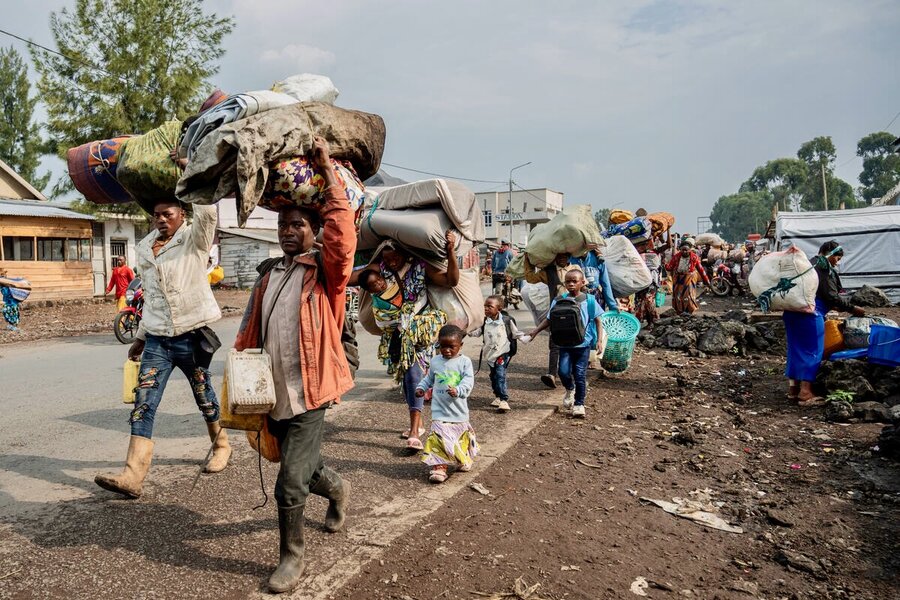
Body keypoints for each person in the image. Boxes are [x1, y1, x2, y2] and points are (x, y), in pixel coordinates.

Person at [231, 137, 355, 593]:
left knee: (289, 485)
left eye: (298, 223)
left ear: (313, 230)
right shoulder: (269, 276)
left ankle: (292, 558)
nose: (288, 230)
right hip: (273, 394)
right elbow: (250, 333)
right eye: (283, 223)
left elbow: (343, 236)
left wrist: (327, 171)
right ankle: (338, 487)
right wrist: (240, 379)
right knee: (302, 466)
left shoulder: (325, 273)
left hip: (311, 392)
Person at [94, 196, 229, 499]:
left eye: (168, 214)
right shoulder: (145, 247)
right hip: (157, 340)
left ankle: (221, 445)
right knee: (144, 402)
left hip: (192, 336)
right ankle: (133, 475)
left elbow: (207, 216)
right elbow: (152, 296)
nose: (161, 219)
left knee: (203, 395)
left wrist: (194, 183)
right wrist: (140, 337)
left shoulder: (195, 240)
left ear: (182, 214)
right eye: (156, 215)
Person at [350, 233, 459, 450]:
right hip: (396, 336)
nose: (391, 262)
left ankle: (414, 430)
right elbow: (346, 278)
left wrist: (450, 251)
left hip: (420, 331)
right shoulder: (378, 270)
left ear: (405, 253)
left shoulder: (420, 267)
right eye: (387, 258)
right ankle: (418, 424)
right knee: (408, 380)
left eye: (395, 257)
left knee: (413, 374)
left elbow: (451, 280)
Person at [783, 241, 865, 407]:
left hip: (791, 313)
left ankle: (793, 391)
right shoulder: (823, 268)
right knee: (813, 351)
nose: (837, 262)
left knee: (795, 349)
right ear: (828, 253)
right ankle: (805, 393)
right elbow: (832, 297)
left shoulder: (806, 264)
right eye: (837, 257)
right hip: (811, 315)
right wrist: (853, 309)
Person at [526, 269, 603, 418]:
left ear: (582, 282)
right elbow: (549, 319)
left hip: (583, 344)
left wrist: (599, 340)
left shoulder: (590, 300)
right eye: (568, 281)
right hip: (564, 344)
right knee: (563, 372)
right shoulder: (558, 300)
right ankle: (570, 388)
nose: (571, 284)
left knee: (580, 373)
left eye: (575, 281)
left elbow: (599, 320)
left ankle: (579, 404)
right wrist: (535, 331)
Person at [415, 324, 476, 483]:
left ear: (460, 345)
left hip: (458, 411)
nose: (447, 350)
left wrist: (459, 390)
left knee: (459, 438)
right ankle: (439, 467)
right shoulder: (435, 361)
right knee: (438, 438)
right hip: (439, 410)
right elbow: (429, 378)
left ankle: (462, 458)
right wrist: (422, 387)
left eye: (451, 347)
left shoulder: (465, 362)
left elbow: (468, 381)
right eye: (443, 346)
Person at [468, 295, 530, 413]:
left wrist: (525, 338)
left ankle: (503, 400)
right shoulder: (486, 321)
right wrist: (467, 332)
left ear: (499, 309)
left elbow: (515, 333)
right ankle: (497, 396)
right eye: (485, 306)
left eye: (489, 306)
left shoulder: (507, 321)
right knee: (493, 376)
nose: (486, 308)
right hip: (490, 354)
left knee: (500, 375)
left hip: (502, 353)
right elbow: (479, 332)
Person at [524, 251, 576, 388]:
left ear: (569, 257)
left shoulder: (576, 270)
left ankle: (570, 374)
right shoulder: (549, 272)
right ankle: (552, 374)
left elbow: (584, 286)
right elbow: (530, 278)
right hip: (557, 311)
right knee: (554, 344)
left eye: (565, 256)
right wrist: (527, 260)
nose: (562, 259)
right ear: (554, 258)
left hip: (575, 312)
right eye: (559, 256)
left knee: (573, 343)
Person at [665, 238, 710, 315]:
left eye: (686, 250)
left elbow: (701, 270)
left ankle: (688, 311)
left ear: (690, 250)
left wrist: (707, 281)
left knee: (689, 295)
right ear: (680, 249)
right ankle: (679, 311)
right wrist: (665, 265)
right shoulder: (676, 257)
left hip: (689, 278)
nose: (684, 252)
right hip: (678, 278)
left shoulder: (694, 257)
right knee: (677, 295)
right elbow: (670, 267)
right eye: (683, 250)